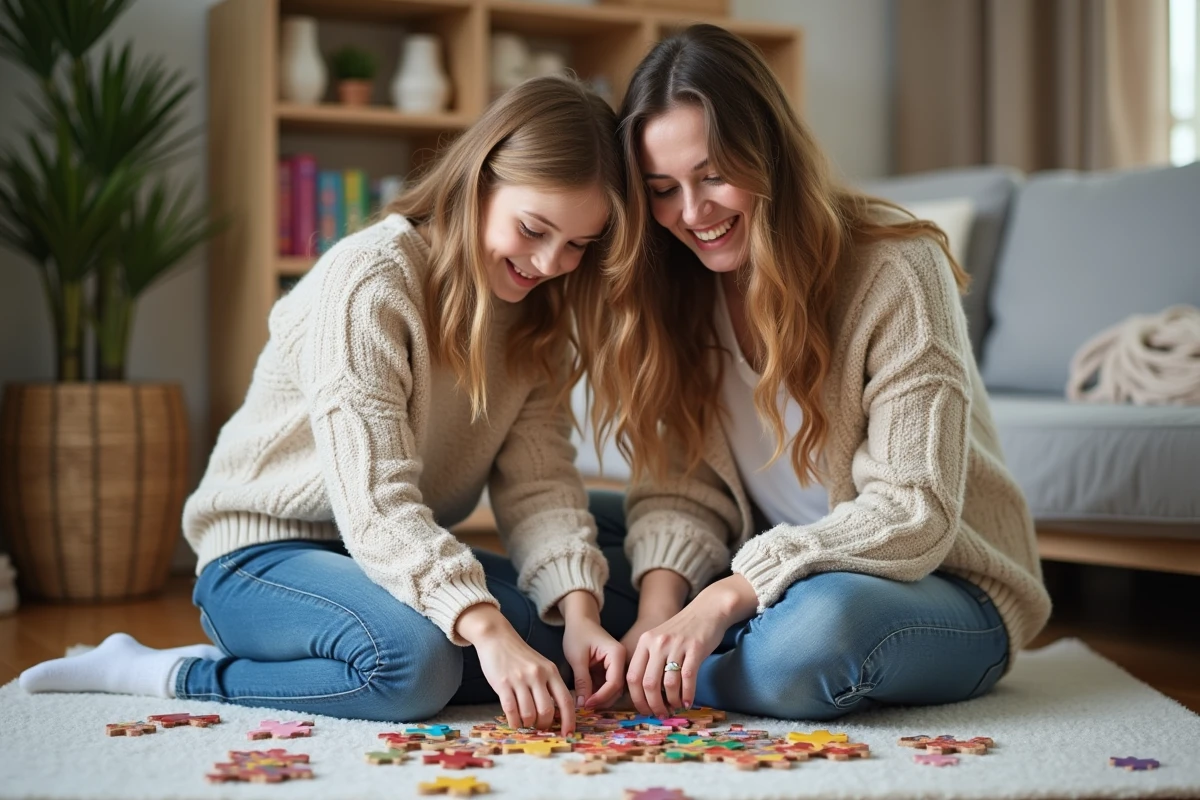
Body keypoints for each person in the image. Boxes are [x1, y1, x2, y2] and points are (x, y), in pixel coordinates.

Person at [20, 76, 634, 734]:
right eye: (534, 229)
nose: (548, 262)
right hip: (263, 556)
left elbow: (540, 487)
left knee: (601, 621)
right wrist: (484, 627)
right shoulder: (371, 277)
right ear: (478, 182)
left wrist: (576, 613)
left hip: (388, 556)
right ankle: (168, 671)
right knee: (413, 665)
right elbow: (374, 506)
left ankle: (401, 653)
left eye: (577, 245)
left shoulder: (537, 319)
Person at [588, 24, 1052, 721]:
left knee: (813, 635)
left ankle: (669, 674)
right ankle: (657, 659)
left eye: (714, 175)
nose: (691, 213)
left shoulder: (897, 269)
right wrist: (657, 616)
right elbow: (679, 491)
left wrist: (720, 599)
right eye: (662, 188)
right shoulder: (678, 288)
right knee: (581, 527)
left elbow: (913, 510)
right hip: (767, 572)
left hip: (933, 583)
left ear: (769, 154)